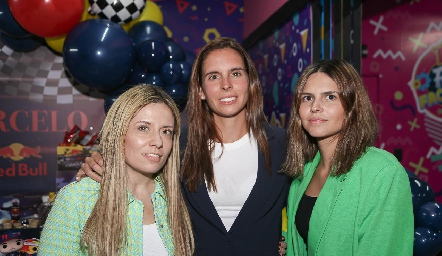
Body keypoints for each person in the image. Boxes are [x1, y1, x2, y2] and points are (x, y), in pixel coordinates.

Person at [78, 37, 291, 255]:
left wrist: (286, 242)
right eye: (214, 76)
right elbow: (135, 171)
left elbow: (302, 205)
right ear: (200, 90)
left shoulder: (283, 143)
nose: (226, 84)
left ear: (250, 82)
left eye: (235, 73)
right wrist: (100, 162)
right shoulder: (176, 144)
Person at [39, 85, 194, 255]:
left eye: (166, 131)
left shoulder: (178, 196)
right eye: (143, 128)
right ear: (118, 133)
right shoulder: (77, 200)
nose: (158, 141)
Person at [281, 59, 414, 255]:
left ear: (351, 106)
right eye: (307, 98)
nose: (315, 107)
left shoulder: (383, 172)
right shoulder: (304, 172)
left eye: (330, 97)